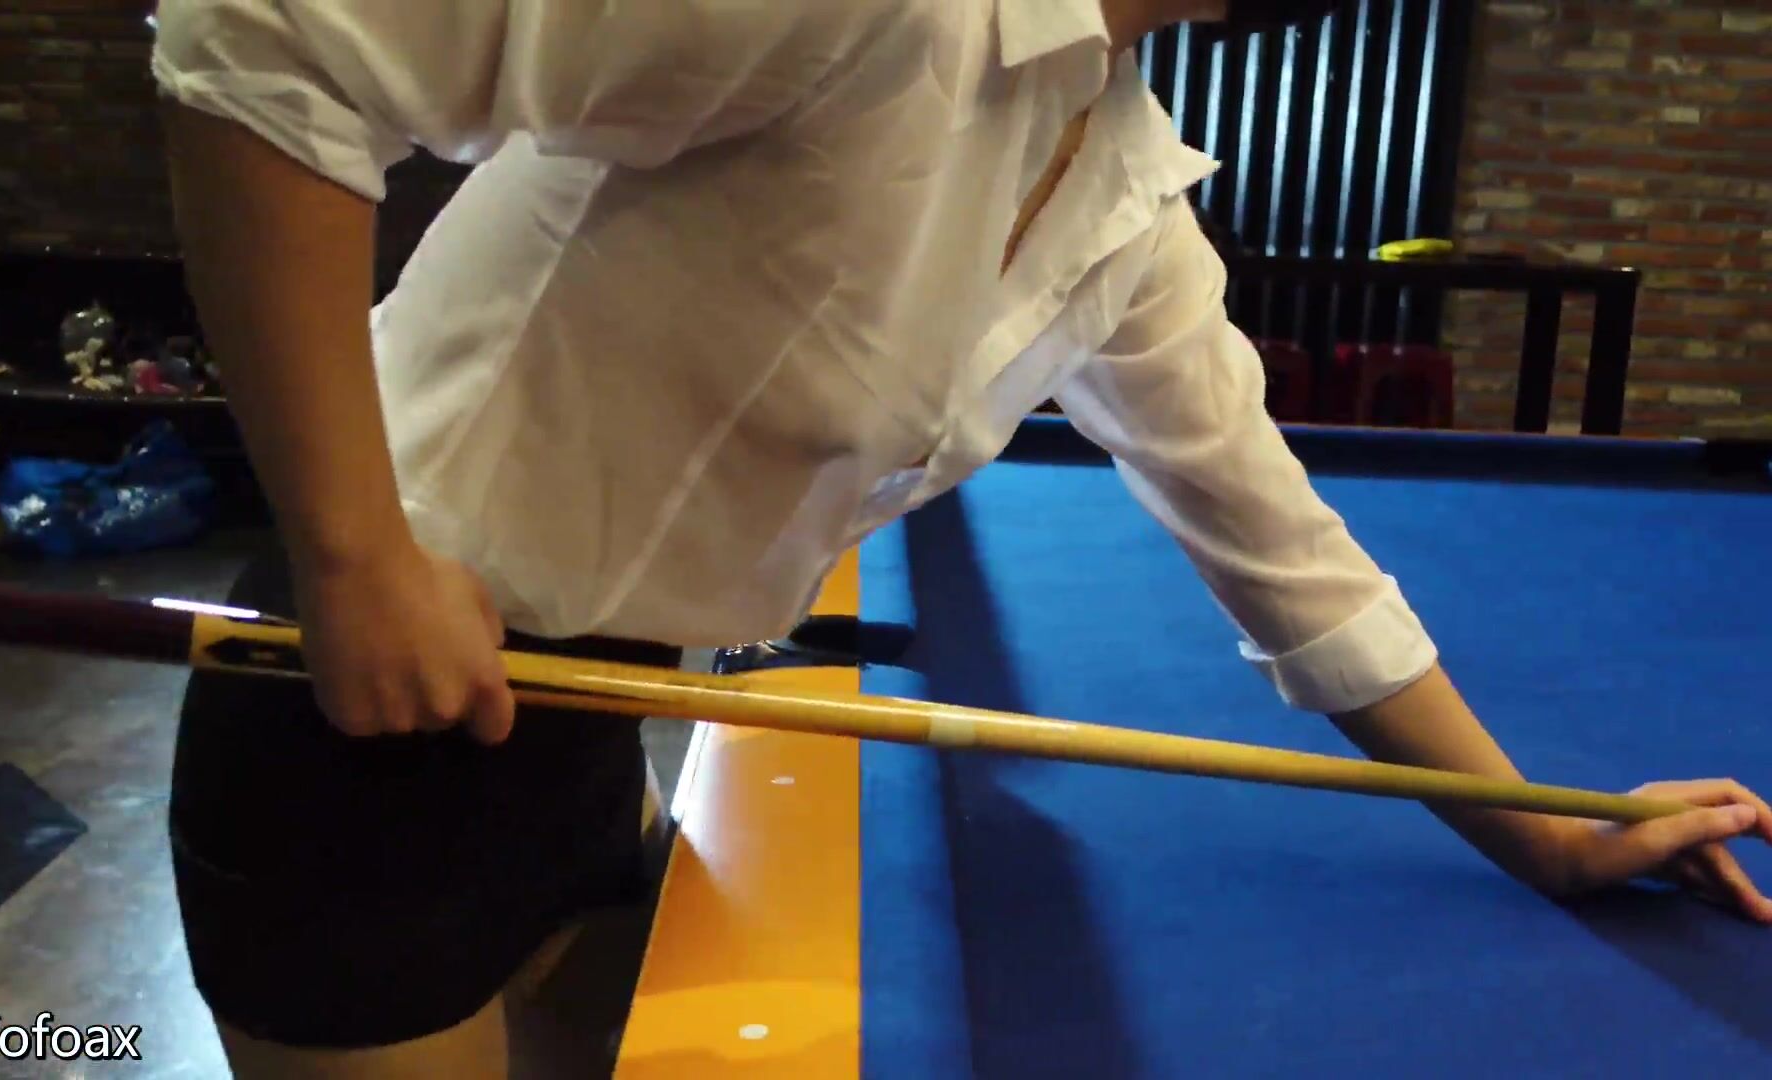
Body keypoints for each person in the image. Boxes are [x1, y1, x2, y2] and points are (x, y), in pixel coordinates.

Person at [149, 1, 1772, 1076]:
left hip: (584, 727)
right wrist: (356, 557)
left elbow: (1292, 559)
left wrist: (1546, 834)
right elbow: (264, 43)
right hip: (359, 722)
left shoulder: (1117, 187)